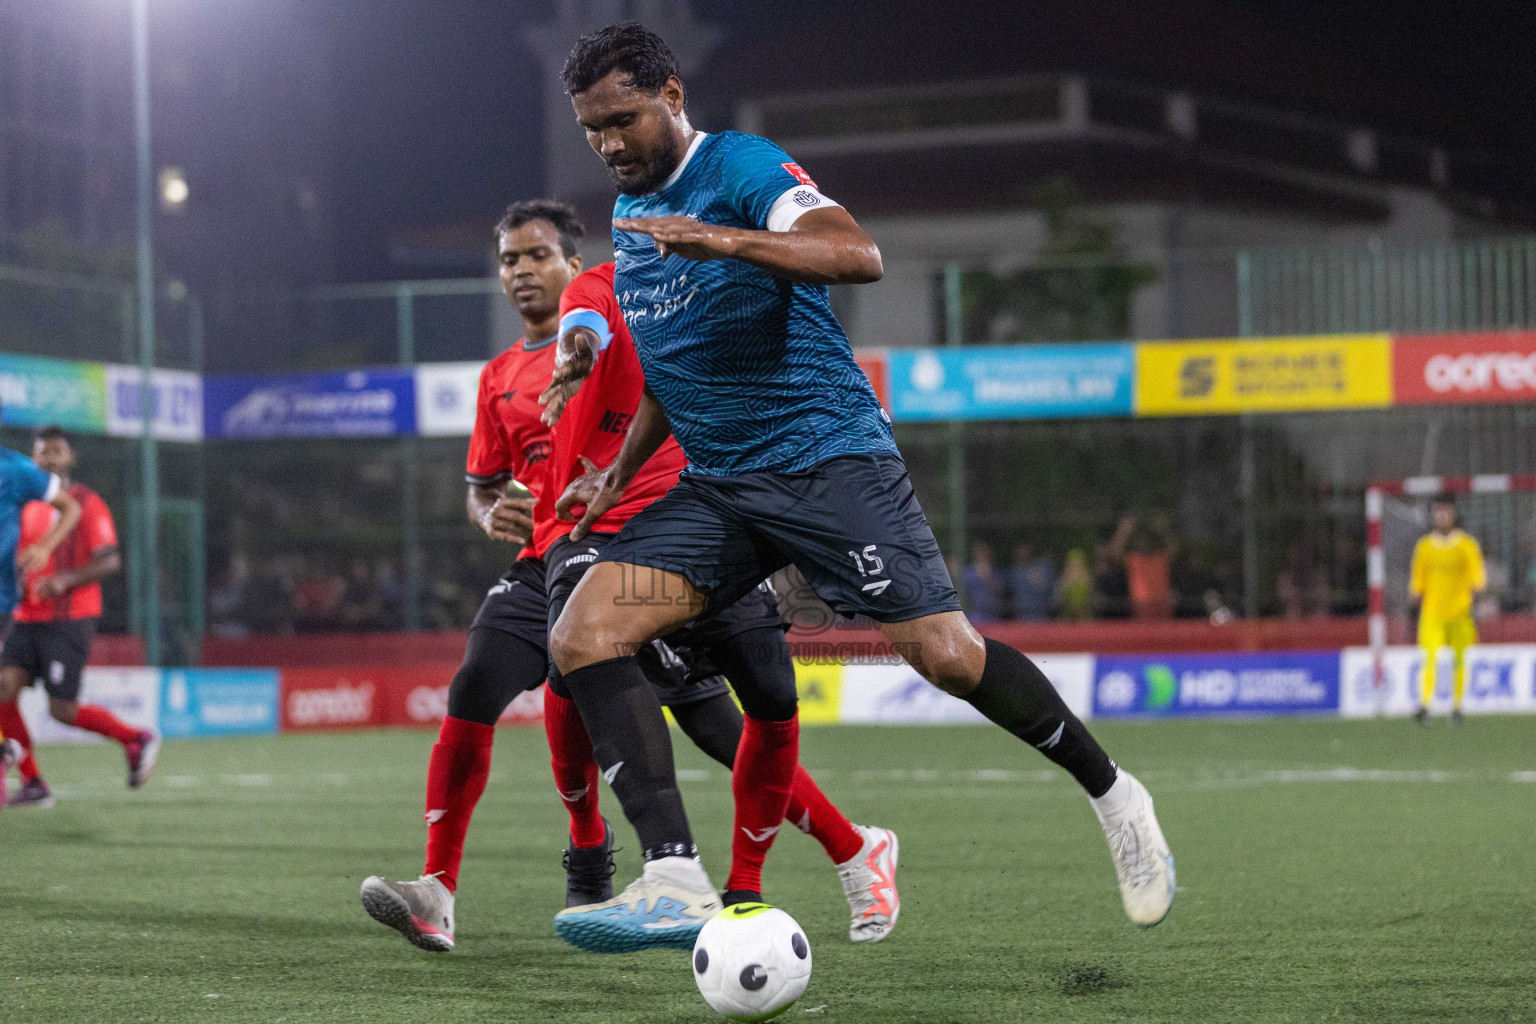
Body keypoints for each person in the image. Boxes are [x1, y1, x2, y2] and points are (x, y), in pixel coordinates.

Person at [546, 23, 1174, 953]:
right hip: (723, 492)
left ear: (672, 97)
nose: (608, 143)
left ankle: (1115, 793)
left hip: (829, 464)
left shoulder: (746, 169)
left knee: (949, 659)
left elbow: (857, 253)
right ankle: (674, 877)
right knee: (585, 635)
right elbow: (677, 370)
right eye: (592, 127)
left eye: (623, 119)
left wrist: (725, 241)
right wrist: (617, 476)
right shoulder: (630, 223)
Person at [361, 201, 893, 953]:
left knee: (716, 724)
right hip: (553, 550)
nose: (521, 271)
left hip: (658, 538)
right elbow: (484, 485)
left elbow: (624, 344)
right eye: (509, 260)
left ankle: (842, 847)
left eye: (537, 255)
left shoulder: (627, 310)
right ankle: (441, 890)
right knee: (483, 677)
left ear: (572, 264)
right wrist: (488, 514)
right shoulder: (498, 377)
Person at [0, 426, 150, 804]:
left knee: (62, 710)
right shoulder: (23, 500)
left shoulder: (85, 502)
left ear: (70, 458)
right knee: (3, 690)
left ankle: (135, 739)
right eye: (42, 452)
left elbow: (110, 559)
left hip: (68, 618)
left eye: (57, 451)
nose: (49, 457)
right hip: (22, 614)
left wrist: (64, 578)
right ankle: (32, 781)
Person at [0, 424, 83, 809]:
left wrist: (45, 548)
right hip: (23, 611)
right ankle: (10, 755)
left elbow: (71, 507)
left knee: (59, 707)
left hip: (17, 606)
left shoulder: (15, 470)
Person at [1409, 495, 1486, 724]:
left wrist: (1476, 601)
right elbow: (1417, 582)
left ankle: (1457, 707)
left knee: (1460, 660)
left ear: (1453, 515)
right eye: (1438, 512)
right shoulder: (1424, 547)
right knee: (1429, 659)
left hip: (1461, 612)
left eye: (1445, 512)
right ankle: (1425, 706)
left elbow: (1478, 580)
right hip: (1432, 613)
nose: (1441, 516)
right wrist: (1413, 603)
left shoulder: (1467, 545)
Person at [1006, 543, 1056, 621]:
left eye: (1025, 548)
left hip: (1041, 617)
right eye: (1020, 549)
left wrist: (1041, 582)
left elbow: (1051, 591)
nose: (1022, 552)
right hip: (1020, 618)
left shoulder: (1042, 567)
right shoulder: (1013, 572)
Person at [960, 541, 1004, 622]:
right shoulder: (968, 572)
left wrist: (989, 577)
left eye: (984, 551)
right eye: (980, 551)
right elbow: (963, 595)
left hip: (993, 616)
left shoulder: (995, 572)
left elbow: (999, 593)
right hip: (975, 616)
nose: (982, 554)